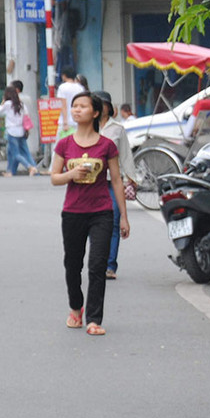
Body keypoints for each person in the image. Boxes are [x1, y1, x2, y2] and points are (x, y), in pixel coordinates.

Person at [51, 91, 129, 336]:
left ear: (95, 112)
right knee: (72, 265)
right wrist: (70, 175)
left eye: (82, 106)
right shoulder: (65, 143)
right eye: (74, 106)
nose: (76, 110)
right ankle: (76, 308)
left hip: (102, 212)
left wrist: (123, 217)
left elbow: (116, 180)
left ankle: (94, 319)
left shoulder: (107, 145)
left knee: (97, 266)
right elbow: (54, 177)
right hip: (73, 212)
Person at [94, 91, 138, 280]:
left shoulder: (117, 129)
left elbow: (126, 154)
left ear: (108, 107)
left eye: (103, 104)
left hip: (114, 181)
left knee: (113, 222)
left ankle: (110, 265)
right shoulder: (87, 128)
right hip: (93, 182)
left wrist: (132, 178)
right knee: (93, 225)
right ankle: (98, 262)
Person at [0, 85, 38, 176]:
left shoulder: (7, 104)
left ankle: (30, 167)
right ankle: (10, 171)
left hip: (12, 131)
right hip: (21, 131)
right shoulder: (21, 104)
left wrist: (3, 101)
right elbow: (26, 115)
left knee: (16, 154)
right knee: (14, 152)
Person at [56, 67, 85, 137]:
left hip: (66, 122)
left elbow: (63, 105)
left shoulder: (62, 87)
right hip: (78, 121)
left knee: (61, 145)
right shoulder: (80, 88)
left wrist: (65, 122)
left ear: (64, 75)